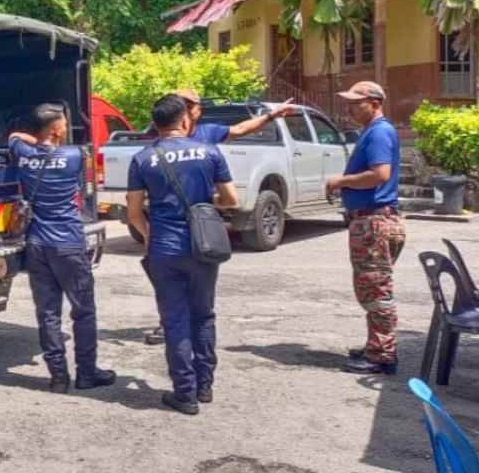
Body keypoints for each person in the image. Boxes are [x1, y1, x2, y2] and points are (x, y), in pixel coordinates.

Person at [142, 88, 293, 345]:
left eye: (190, 104)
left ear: (197, 111)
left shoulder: (208, 133)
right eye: (181, 104)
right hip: (167, 222)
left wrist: (270, 116)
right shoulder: (161, 136)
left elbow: (241, 129)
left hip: (201, 221)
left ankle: (194, 326)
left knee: (200, 277)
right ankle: (170, 324)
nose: (186, 108)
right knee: (169, 280)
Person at [126, 94, 239, 415]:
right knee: (203, 315)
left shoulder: (142, 159)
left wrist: (149, 235)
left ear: (155, 124)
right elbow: (231, 200)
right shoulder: (209, 151)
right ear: (185, 120)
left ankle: (184, 393)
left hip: (164, 247)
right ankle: (204, 386)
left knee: (175, 319)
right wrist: (204, 204)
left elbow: (133, 213)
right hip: (203, 246)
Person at [9, 104, 116, 393]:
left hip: (37, 244)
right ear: (56, 130)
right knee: (83, 311)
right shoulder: (74, 155)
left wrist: (32, 139)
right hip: (68, 243)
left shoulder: (23, 154)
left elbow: (14, 137)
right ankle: (87, 373)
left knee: (48, 313)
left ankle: (58, 377)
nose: (67, 128)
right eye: (64, 124)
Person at [324, 81, 406, 375]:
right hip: (373, 220)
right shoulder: (372, 131)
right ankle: (377, 345)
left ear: (374, 103)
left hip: (374, 222)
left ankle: (381, 355)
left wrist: (340, 181)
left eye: (355, 104)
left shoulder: (379, 132)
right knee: (371, 287)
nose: (349, 109)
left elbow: (379, 174)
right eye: (348, 104)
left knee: (375, 290)